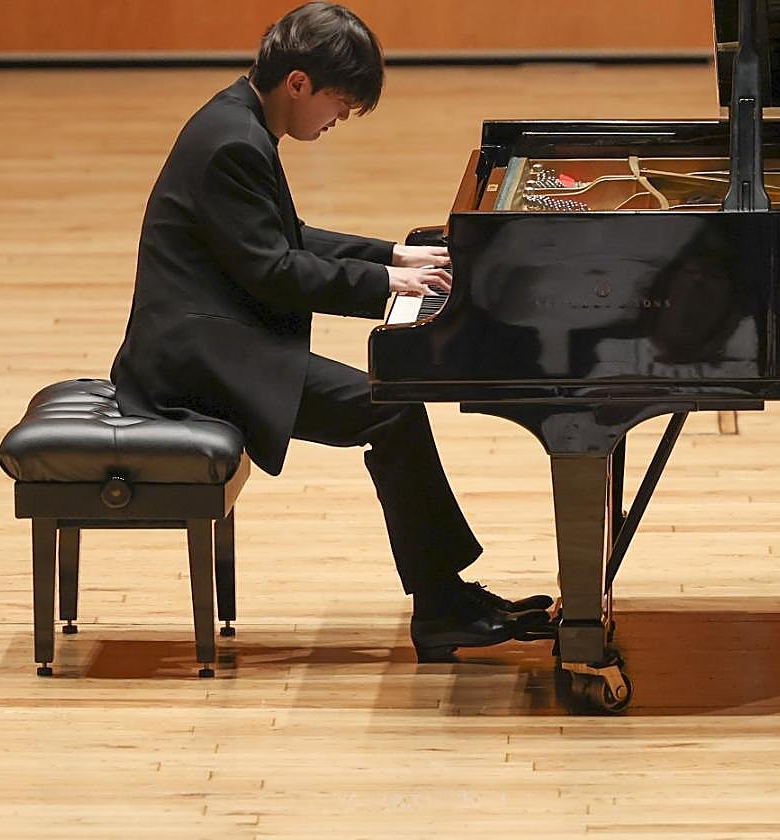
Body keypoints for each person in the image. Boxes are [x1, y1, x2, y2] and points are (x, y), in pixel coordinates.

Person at [110, 2, 552, 661]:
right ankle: (442, 607)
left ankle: (447, 600)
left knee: (392, 409)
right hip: (197, 361)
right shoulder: (233, 142)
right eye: (339, 104)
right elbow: (275, 271)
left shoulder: (239, 119)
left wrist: (393, 255)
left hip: (215, 339)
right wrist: (388, 284)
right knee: (390, 410)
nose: (339, 118)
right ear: (298, 83)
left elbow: (288, 237)